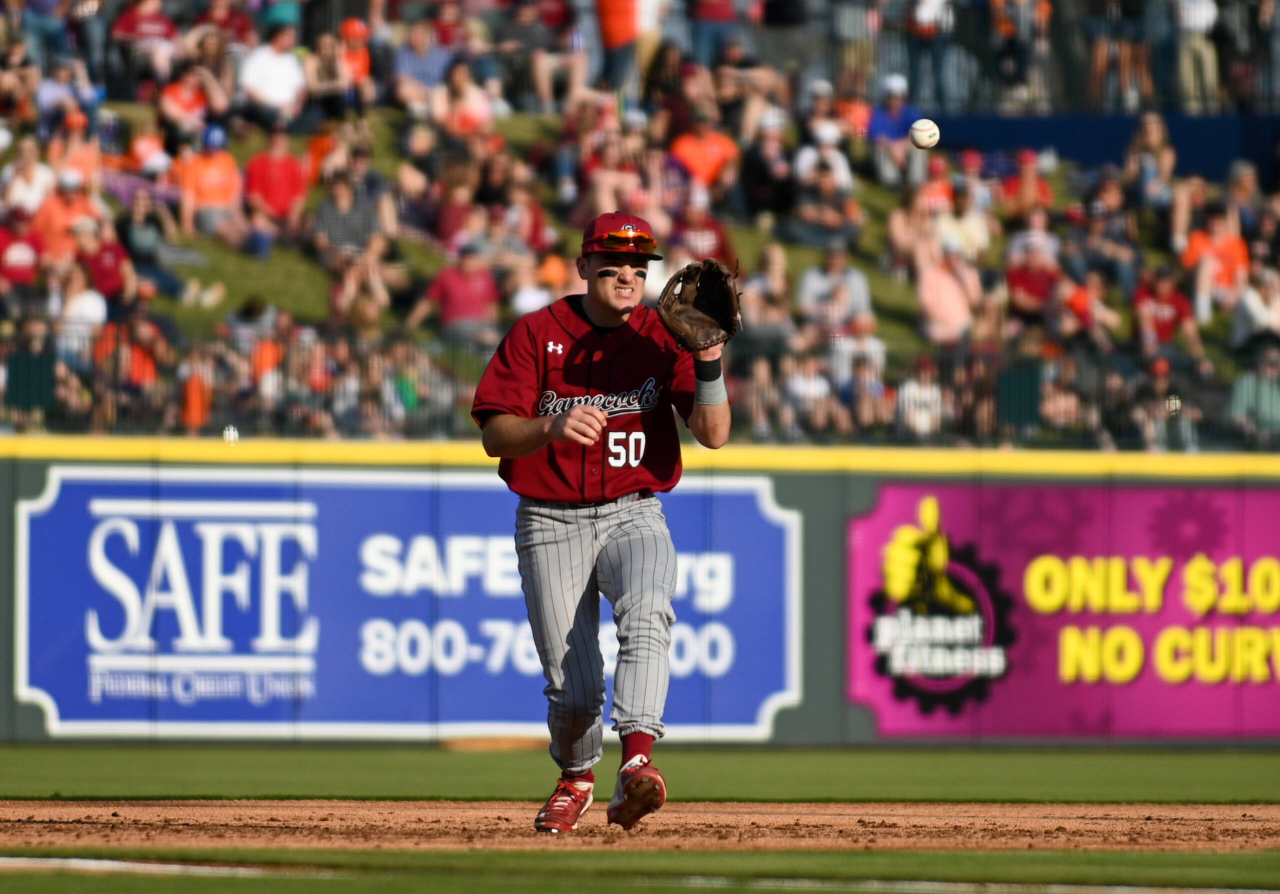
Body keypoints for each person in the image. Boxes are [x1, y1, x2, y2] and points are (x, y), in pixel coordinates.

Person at [469, 211, 730, 834]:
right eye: (611, 264)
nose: (626, 276)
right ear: (583, 267)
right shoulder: (538, 333)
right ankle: (577, 776)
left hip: (633, 509)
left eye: (638, 266)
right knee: (574, 686)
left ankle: (638, 763)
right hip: (550, 516)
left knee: (647, 611)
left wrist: (713, 361)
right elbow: (493, 432)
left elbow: (714, 434)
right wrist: (549, 424)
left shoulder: (663, 336)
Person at [239, 23, 308, 131]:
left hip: (290, 108)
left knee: (317, 112)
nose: (293, 40)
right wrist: (278, 106)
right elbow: (250, 90)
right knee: (266, 114)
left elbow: (301, 88)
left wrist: (297, 106)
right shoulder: (257, 56)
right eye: (289, 36)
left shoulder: (292, 59)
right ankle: (284, 126)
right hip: (265, 107)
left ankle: (284, 125)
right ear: (278, 36)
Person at [868, 73, 925, 189]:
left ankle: (915, 184)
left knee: (919, 145)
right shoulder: (878, 112)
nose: (895, 100)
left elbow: (919, 133)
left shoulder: (911, 112)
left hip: (905, 150)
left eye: (899, 96)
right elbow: (875, 136)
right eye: (892, 96)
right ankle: (892, 184)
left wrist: (901, 147)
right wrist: (893, 148)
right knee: (879, 148)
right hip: (888, 150)